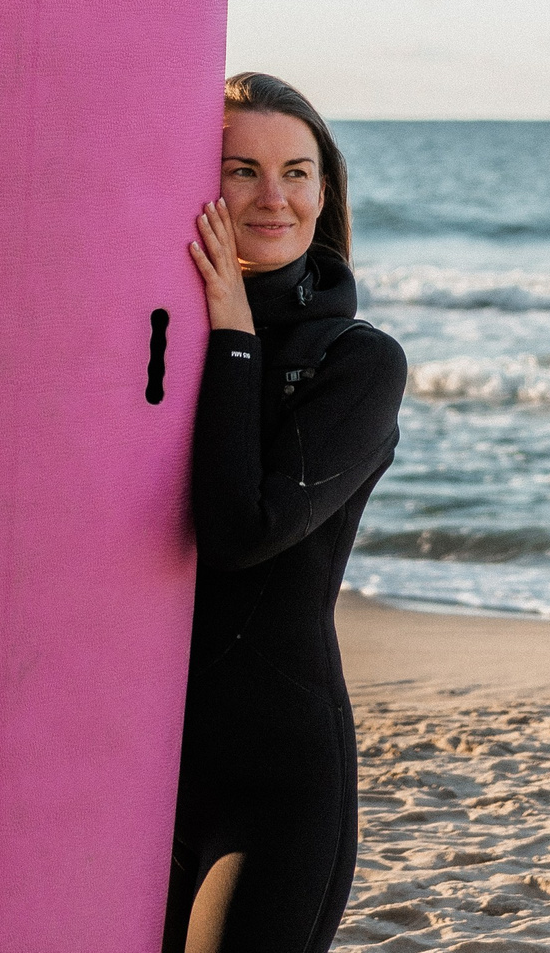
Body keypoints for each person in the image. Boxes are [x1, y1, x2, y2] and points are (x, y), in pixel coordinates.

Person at [166, 73, 408, 953]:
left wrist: (234, 335)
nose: (274, 197)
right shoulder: (148, 340)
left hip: (273, 779)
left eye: (297, 172)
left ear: (325, 191)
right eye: (242, 170)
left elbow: (244, 531)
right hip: (128, 757)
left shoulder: (358, 362)